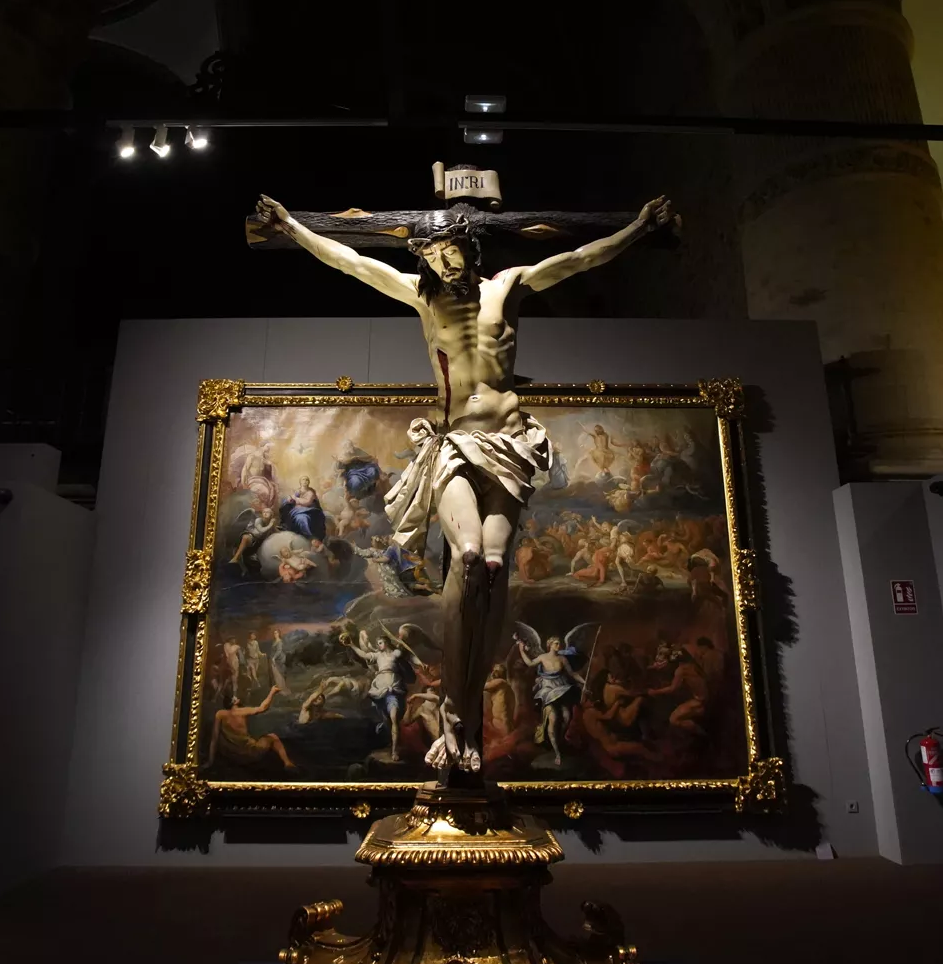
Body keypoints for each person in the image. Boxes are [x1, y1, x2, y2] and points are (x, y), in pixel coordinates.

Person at [255, 190, 675, 775]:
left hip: (511, 444)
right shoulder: (421, 296)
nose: (444, 264)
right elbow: (351, 261)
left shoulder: (508, 286)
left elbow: (580, 258)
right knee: (470, 556)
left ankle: (467, 713)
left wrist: (639, 227)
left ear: (470, 249)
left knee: (496, 568)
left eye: (451, 252)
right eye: (434, 256)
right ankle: (454, 711)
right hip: (456, 441)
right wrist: (292, 226)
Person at [342, 627, 423, 763]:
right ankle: (391, 743)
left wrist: (420, 663)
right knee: (387, 720)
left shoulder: (395, 654)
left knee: (393, 718)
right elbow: (364, 655)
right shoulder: (378, 655)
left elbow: (409, 655)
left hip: (393, 687)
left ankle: (394, 751)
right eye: (377, 643)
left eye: (380, 642)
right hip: (379, 689)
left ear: (386, 642)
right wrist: (351, 645)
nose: (378, 645)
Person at [516, 633, 585, 767]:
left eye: (559, 643)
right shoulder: (543, 657)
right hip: (548, 691)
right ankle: (557, 752)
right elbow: (530, 663)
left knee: (567, 717)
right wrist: (521, 650)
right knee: (553, 720)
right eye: (556, 643)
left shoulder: (562, 659)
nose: (559, 646)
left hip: (561, 689)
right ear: (550, 645)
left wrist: (584, 682)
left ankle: (559, 739)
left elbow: (572, 673)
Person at [206, 686, 298, 770]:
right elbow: (263, 708)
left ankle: (212, 761)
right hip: (249, 753)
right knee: (273, 737)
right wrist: (272, 692)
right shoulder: (242, 711)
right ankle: (287, 763)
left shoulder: (220, 714)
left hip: (233, 754)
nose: (238, 698)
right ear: (234, 702)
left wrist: (210, 761)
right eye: (236, 698)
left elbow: (214, 739)